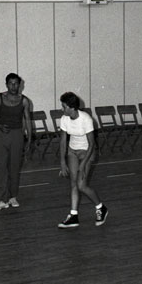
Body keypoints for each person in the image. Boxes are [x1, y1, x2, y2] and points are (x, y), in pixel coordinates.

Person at [57, 92, 108, 228]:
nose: (62, 109)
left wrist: (83, 164)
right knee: (73, 184)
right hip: (72, 151)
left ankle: (100, 207)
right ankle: (73, 216)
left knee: (81, 186)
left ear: (72, 108)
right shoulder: (64, 119)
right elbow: (63, 142)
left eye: (64, 106)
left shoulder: (86, 119)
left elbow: (92, 144)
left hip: (87, 152)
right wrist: (62, 162)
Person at [0, 73, 31, 211]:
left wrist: (30, 139)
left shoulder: (24, 101)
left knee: (14, 167)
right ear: (6, 84)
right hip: (1, 135)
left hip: (17, 135)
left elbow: (27, 120)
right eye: (11, 83)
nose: (13, 86)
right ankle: (3, 199)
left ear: (20, 85)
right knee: (0, 167)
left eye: (16, 83)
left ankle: (13, 197)